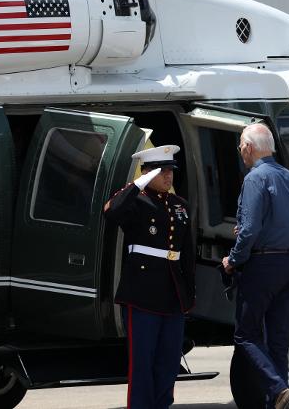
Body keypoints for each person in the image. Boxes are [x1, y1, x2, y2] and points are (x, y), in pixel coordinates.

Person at [103, 145, 195, 409]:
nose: (169, 176)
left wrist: (189, 295)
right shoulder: (135, 202)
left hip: (173, 296)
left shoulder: (180, 205)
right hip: (142, 295)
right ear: (147, 172)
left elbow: (185, 254)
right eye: (162, 171)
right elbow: (111, 212)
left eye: (171, 171)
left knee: (167, 365)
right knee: (142, 364)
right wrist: (138, 183)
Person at [222, 123, 289, 409]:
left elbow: (250, 229)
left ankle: (279, 389)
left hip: (263, 264)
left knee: (245, 336)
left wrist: (233, 260)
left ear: (248, 147)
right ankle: (278, 402)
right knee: (278, 340)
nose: (240, 152)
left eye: (241, 146)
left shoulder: (255, 178)